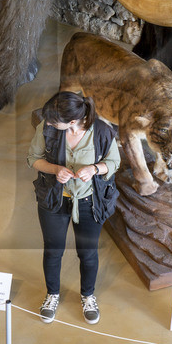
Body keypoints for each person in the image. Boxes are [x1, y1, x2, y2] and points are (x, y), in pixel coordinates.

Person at [29, 90, 121, 324]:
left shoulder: (102, 131)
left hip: (90, 202)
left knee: (88, 254)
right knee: (53, 250)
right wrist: (54, 170)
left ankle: (88, 295)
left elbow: (114, 162)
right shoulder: (47, 128)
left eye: (52, 120)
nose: (48, 123)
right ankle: (52, 294)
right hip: (55, 199)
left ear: (72, 121)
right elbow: (33, 158)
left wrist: (95, 169)